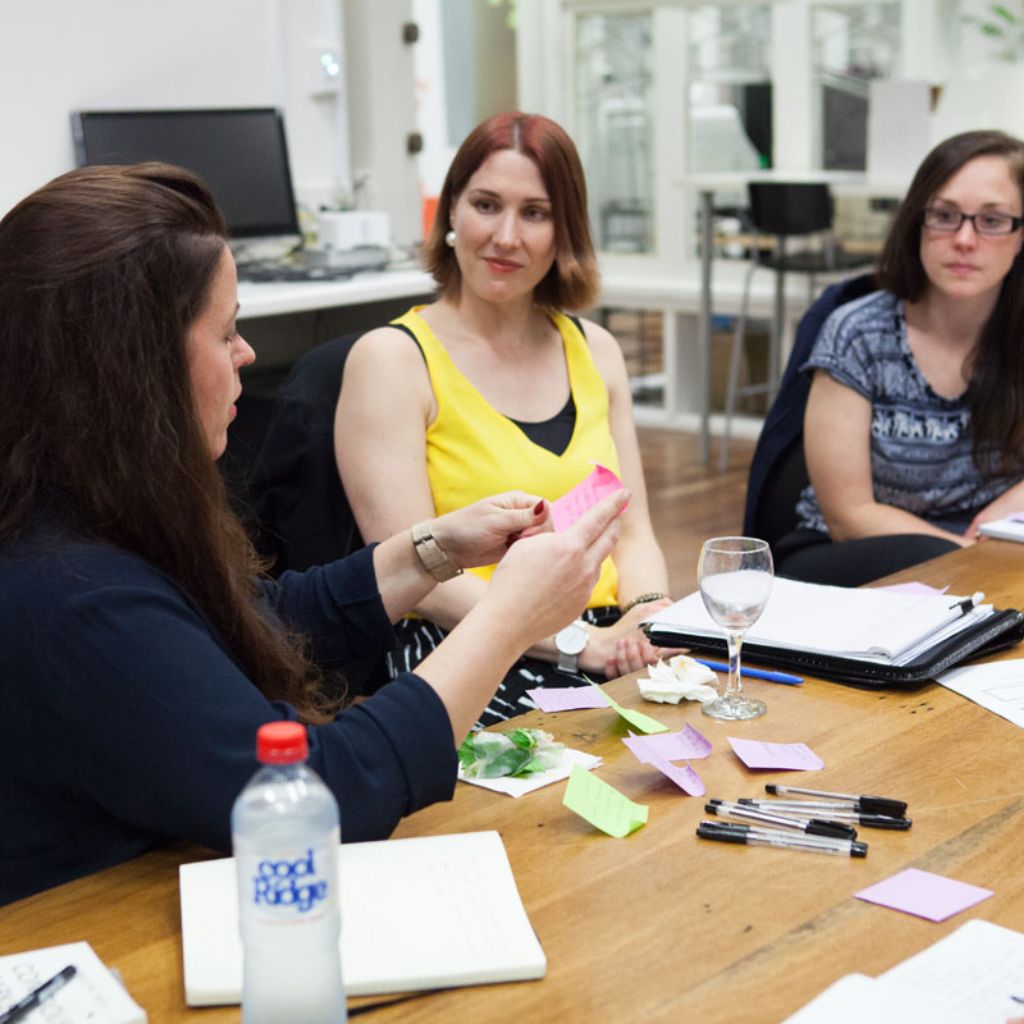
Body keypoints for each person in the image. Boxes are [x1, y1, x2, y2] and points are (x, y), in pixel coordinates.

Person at [0, 162, 628, 906]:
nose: (246, 353)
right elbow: (321, 796)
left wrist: (433, 549)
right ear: (134, 369)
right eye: (226, 332)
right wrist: (508, 618)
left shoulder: (81, 507)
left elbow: (253, 616)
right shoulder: (72, 592)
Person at [335, 112, 672, 725]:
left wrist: (648, 613)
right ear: (452, 213)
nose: (506, 236)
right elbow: (414, 573)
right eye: (486, 205)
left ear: (565, 230)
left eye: (535, 213)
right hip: (466, 646)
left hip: (605, 639)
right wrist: (579, 644)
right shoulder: (391, 361)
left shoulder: (596, 350)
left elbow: (634, 531)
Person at [775, 129, 1024, 587]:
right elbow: (849, 516)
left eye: (992, 221)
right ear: (917, 224)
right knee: (932, 558)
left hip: (987, 559)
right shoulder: (858, 333)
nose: (964, 239)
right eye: (944, 216)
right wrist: (971, 557)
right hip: (847, 557)